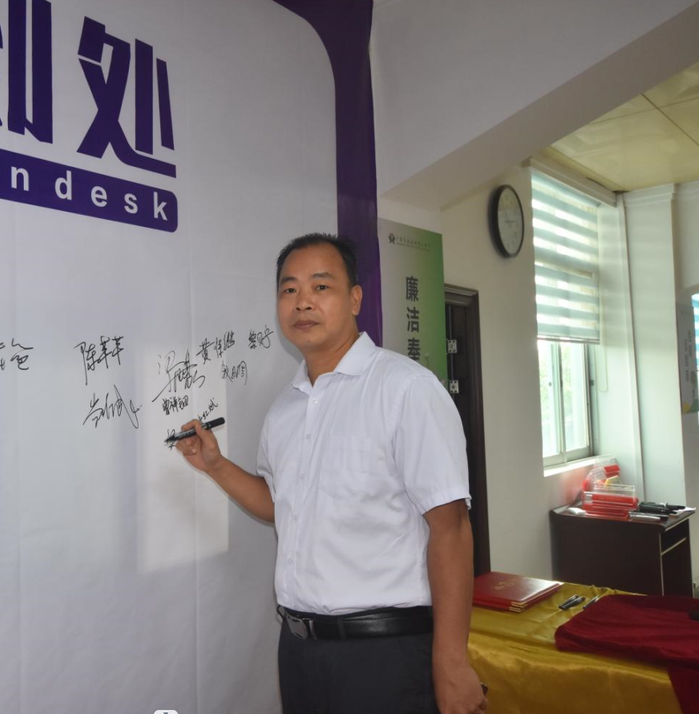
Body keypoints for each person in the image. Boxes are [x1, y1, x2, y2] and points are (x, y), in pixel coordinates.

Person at [176, 233, 487, 714]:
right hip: (299, 651)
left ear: (355, 298)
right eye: (289, 289)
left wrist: (451, 663)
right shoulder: (285, 409)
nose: (303, 302)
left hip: (384, 655)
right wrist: (215, 465)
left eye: (321, 287)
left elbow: (451, 528)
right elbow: (281, 506)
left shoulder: (405, 389)